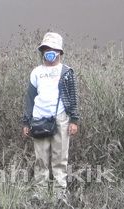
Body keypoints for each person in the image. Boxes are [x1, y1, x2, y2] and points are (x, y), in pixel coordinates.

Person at [21, 31, 80, 202]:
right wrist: (26, 122)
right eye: (46, 49)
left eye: (52, 48)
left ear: (60, 52)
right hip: (38, 120)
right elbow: (30, 98)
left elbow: (72, 96)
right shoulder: (36, 72)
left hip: (61, 119)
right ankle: (39, 194)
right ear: (42, 51)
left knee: (60, 159)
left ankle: (59, 195)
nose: (49, 52)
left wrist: (74, 120)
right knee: (41, 159)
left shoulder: (66, 71)